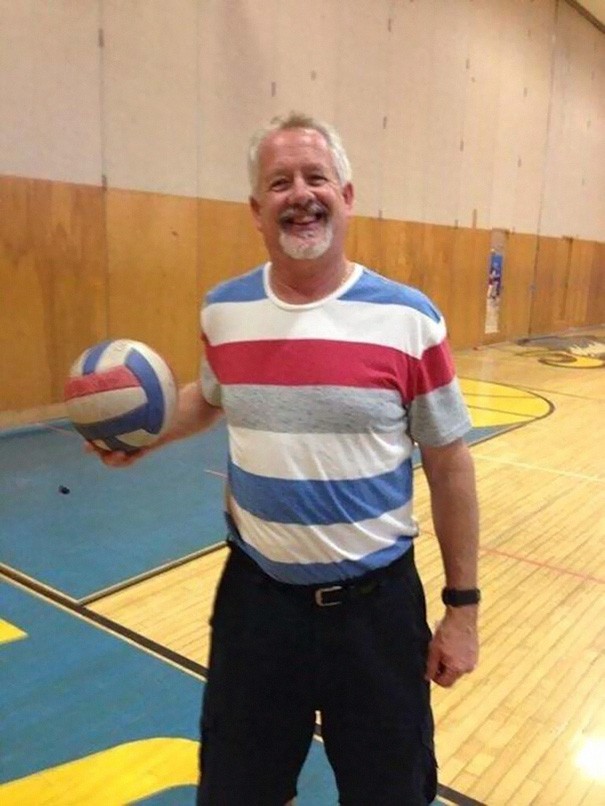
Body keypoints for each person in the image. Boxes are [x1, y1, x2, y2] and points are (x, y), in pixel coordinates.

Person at [91, 112, 480, 805]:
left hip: (376, 614)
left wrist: (462, 610)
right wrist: (144, 434)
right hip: (257, 608)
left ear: (346, 196)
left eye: (315, 177)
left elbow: (449, 464)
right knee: (237, 792)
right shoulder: (225, 309)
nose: (299, 194)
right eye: (279, 183)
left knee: (390, 794)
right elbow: (210, 397)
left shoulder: (408, 319)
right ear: (255, 209)